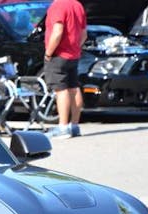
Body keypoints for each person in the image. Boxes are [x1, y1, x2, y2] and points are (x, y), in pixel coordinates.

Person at [43, 0, 87, 139]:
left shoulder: (58, 5)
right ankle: (74, 126)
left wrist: (48, 53)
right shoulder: (77, 5)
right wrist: (75, 48)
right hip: (73, 55)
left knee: (61, 90)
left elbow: (57, 32)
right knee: (74, 88)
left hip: (59, 55)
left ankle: (63, 128)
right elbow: (84, 33)